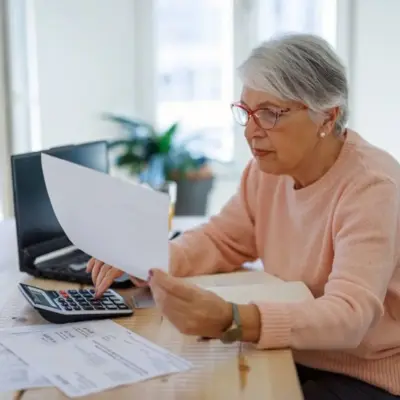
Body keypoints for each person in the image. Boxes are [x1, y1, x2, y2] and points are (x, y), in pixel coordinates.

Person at [87, 33, 400, 399]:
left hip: (365, 374)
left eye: (270, 113)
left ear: (326, 117)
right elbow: (221, 239)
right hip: (293, 352)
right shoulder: (266, 172)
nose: (252, 131)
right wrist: (146, 259)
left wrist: (232, 319)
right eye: (247, 113)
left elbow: (350, 317)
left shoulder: (372, 186)